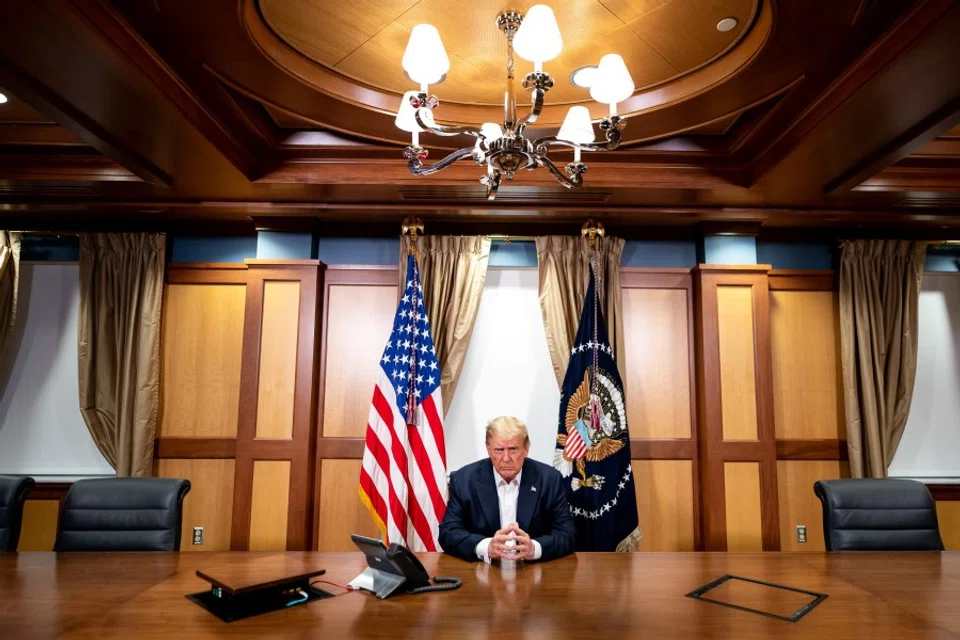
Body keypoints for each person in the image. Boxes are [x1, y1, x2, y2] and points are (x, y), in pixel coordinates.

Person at [439, 416, 576, 562]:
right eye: (498, 450)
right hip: (483, 572)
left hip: (533, 571)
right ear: (488, 449)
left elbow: (567, 534)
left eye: (513, 449)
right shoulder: (464, 480)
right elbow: (448, 533)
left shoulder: (549, 479)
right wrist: (486, 547)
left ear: (526, 449)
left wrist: (534, 548)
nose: (506, 458)